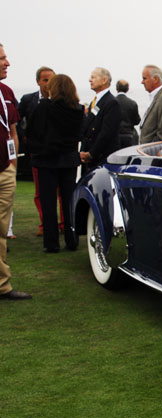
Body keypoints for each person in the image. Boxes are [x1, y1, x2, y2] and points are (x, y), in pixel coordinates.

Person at [27, 74, 83, 253]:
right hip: (69, 159)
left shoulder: (44, 107)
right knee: (68, 201)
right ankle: (71, 239)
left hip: (47, 159)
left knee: (48, 202)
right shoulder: (78, 109)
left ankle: (51, 242)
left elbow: (32, 130)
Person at [0, 44, 31, 299]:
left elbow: (12, 130)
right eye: (2, 58)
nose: (7, 62)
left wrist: (13, 165)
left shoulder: (7, 91)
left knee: (1, 230)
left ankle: (2, 285)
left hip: (5, 169)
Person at [18, 66, 57, 236]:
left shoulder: (62, 100)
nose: (48, 84)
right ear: (38, 81)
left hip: (58, 152)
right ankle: (44, 224)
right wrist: (25, 138)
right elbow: (17, 120)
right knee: (40, 191)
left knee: (62, 192)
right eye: (45, 80)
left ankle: (62, 224)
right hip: (37, 152)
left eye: (52, 80)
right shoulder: (28, 100)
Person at [80, 67, 120, 169]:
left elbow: (107, 132)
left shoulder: (111, 102)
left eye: (93, 77)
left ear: (104, 80)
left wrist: (92, 153)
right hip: (88, 156)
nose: (90, 80)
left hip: (100, 157)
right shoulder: (96, 101)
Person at [140, 65, 162, 143]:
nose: (142, 82)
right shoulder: (157, 97)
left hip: (153, 152)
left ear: (155, 79)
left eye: (144, 78)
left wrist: (150, 149)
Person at [115, 80, 140, 148]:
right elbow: (137, 121)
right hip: (128, 136)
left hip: (115, 136)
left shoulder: (111, 102)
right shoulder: (132, 103)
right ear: (127, 89)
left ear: (116, 88)